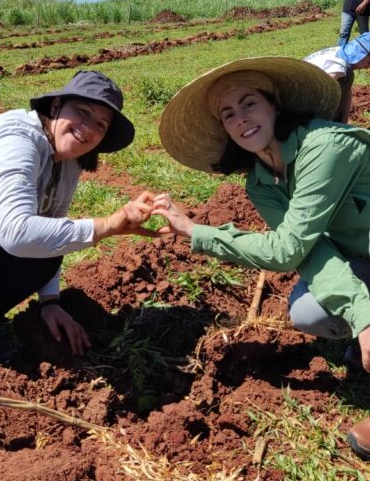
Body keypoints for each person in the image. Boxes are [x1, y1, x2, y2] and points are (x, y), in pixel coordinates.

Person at [153, 57, 370, 459]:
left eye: (249, 103)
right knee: (309, 312)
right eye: (228, 113)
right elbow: (303, 253)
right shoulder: (260, 181)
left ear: (275, 105)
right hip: (359, 254)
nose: (241, 119)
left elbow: (285, 248)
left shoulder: (325, 147)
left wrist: (195, 231)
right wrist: (362, 313)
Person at [0, 70, 155, 385]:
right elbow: (16, 232)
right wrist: (106, 226)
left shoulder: (67, 162)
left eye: (100, 125)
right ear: (55, 106)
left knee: (50, 249)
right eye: (82, 112)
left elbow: (51, 231)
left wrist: (50, 302)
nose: (87, 128)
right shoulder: (15, 140)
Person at [304, 32, 370, 122]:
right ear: (361, 54)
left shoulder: (339, 51)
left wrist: (344, 123)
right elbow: (319, 94)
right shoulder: (338, 68)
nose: (367, 67)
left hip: (297, 92)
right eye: (369, 62)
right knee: (348, 76)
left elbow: (347, 93)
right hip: (298, 102)